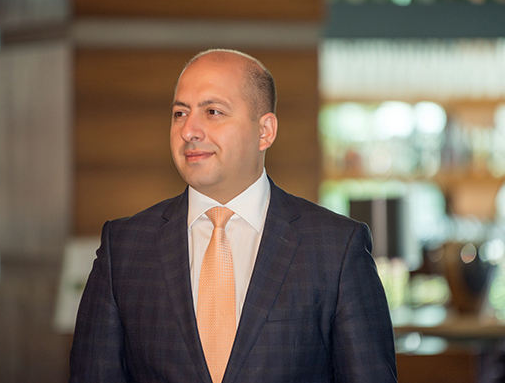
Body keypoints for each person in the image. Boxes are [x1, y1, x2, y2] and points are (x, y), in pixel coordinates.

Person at [69, 49, 397, 382]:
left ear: (265, 131)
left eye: (212, 112)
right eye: (180, 113)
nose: (189, 131)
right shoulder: (124, 248)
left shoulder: (336, 248)